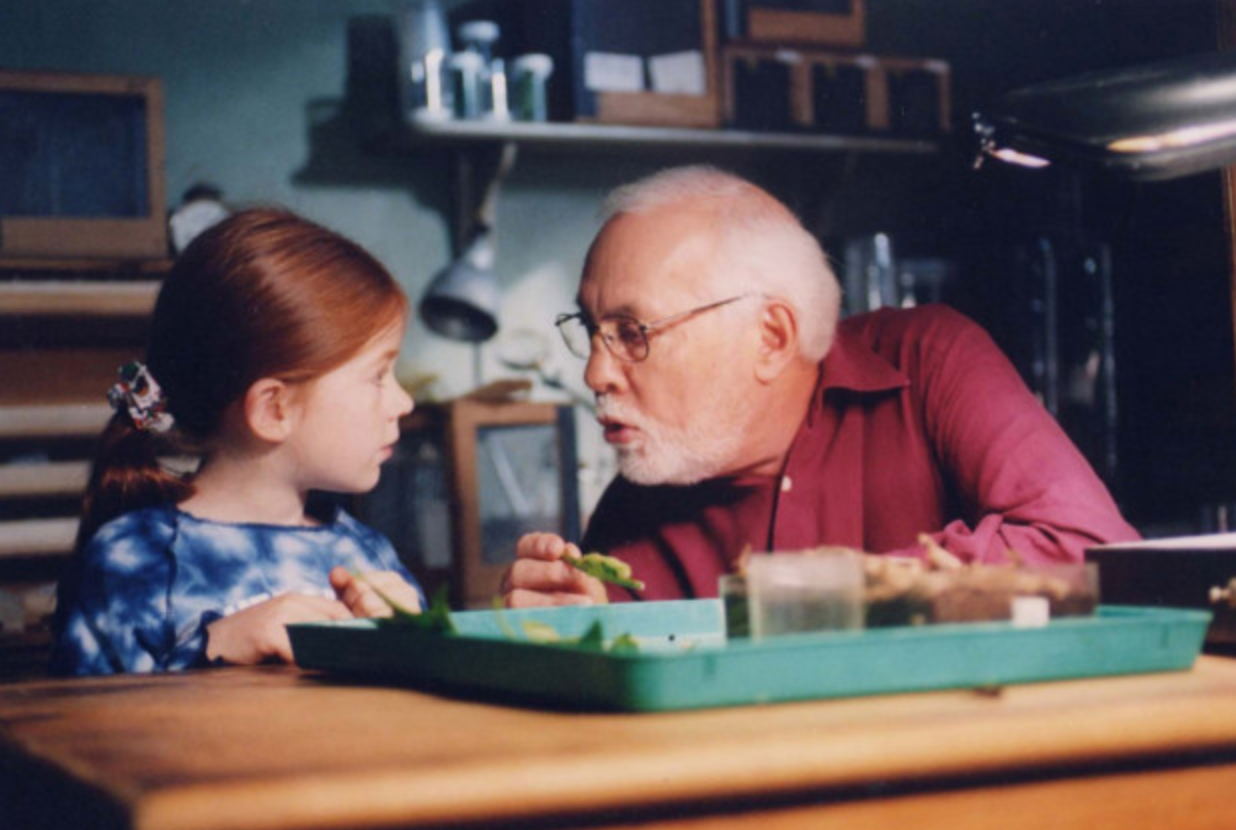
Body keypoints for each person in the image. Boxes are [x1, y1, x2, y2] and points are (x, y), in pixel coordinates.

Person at [501, 165, 1140, 607]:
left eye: (633, 331)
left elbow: (1095, 551)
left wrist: (837, 588)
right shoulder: (631, 510)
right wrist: (561, 625)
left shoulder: (931, 360)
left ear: (771, 337)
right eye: (591, 330)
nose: (595, 372)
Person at [51, 208, 426, 675]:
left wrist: (421, 645)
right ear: (274, 409)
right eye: (377, 376)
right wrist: (212, 649)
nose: (404, 402)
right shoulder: (134, 561)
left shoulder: (369, 557)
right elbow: (85, 733)